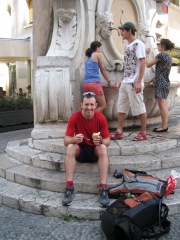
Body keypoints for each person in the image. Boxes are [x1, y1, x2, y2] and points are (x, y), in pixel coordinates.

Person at [62, 92, 110, 207]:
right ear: (81, 105)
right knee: (70, 147)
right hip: (81, 151)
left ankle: (103, 188)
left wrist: (101, 141)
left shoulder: (101, 118)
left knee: (103, 148)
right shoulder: (75, 117)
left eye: (92, 105)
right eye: (86, 104)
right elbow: (65, 141)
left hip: (94, 151)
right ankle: (69, 187)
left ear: (95, 105)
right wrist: (74, 139)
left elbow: (108, 141)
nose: (89, 107)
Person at [110, 22, 147, 141]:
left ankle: (143, 132)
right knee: (121, 107)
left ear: (129, 31)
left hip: (134, 82)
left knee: (140, 107)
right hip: (126, 82)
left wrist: (139, 81)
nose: (121, 33)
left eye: (123, 30)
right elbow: (127, 66)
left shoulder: (139, 44)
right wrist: (122, 80)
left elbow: (143, 63)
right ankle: (119, 131)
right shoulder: (127, 46)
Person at [146, 38, 175, 132]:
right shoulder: (169, 57)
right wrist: (150, 79)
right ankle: (164, 125)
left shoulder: (161, 55)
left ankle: (164, 126)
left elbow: (148, 64)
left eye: (159, 44)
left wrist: (146, 54)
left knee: (162, 105)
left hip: (161, 83)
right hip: (165, 82)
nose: (158, 45)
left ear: (162, 46)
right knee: (163, 104)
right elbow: (162, 71)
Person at [82, 41, 117, 112]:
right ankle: (90, 117)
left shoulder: (86, 57)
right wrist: (109, 82)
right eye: (101, 47)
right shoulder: (98, 55)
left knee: (89, 106)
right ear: (97, 47)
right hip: (94, 84)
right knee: (103, 105)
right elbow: (103, 69)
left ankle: (88, 119)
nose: (101, 49)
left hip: (86, 84)